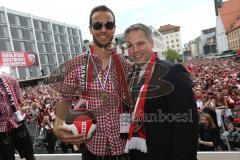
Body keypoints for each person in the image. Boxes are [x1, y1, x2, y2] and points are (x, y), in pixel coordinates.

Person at [51, 5, 131, 160]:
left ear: (114, 28)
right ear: (90, 29)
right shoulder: (76, 64)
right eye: (97, 25)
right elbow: (65, 99)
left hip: (124, 148)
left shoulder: (125, 64)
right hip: (92, 148)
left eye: (108, 25)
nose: (103, 29)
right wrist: (57, 126)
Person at [123, 23, 198, 160]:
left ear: (151, 43)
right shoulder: (130, 76)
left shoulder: (173, 72)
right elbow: (128, 114)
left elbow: (186, 125)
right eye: (129, 46)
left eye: (140, 43)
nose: (135, 50)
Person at [0, 73, 36, 160]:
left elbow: (18, 99)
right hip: (2, 129)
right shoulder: (10, 79)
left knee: (29, 154)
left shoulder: (10, 79)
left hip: (17, 122)